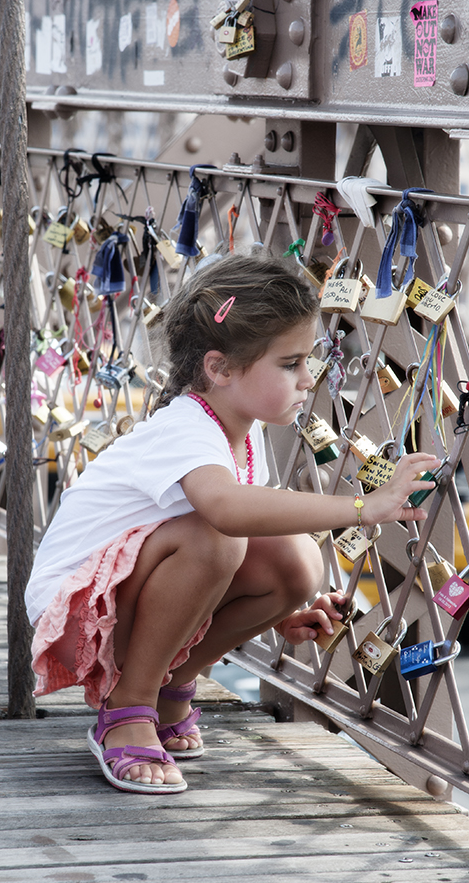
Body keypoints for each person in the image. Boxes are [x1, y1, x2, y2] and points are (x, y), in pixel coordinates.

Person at [25, 253, 438, 795]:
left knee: (296, 563)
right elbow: (224, 513)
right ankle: (127, 709)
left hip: (131, 597)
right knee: (217, 536)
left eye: (308, 360)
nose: (307, 379)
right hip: (76, 610)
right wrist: (365, 507)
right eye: (290, 365)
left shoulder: (241, 434)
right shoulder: (186, 428)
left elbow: (248, 537)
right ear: (218, 369)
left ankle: (167, 687)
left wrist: (280, 616)